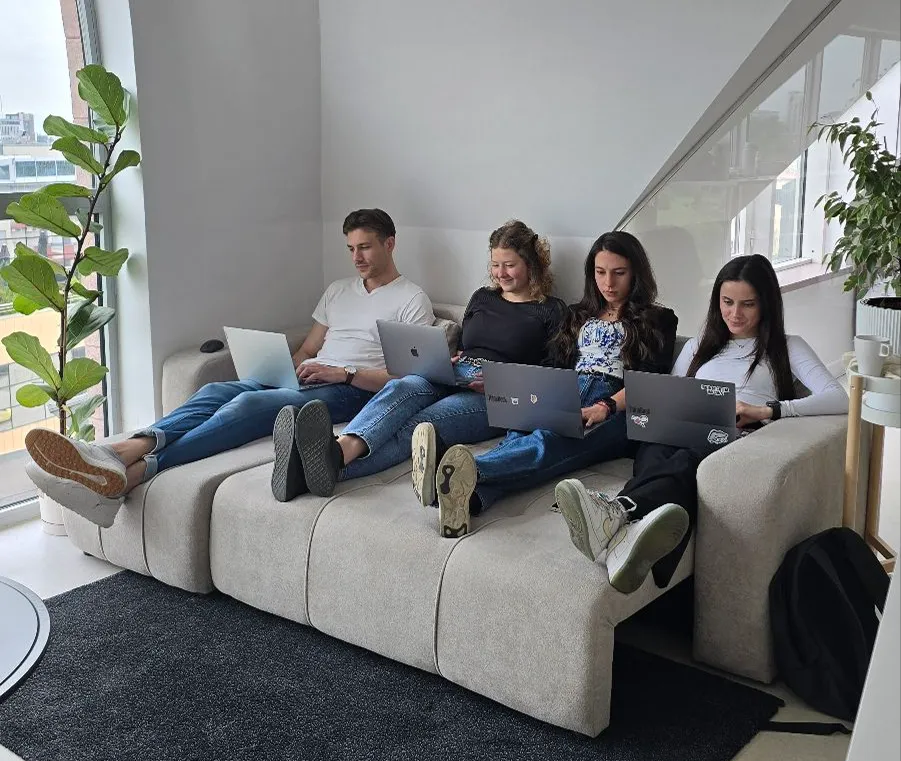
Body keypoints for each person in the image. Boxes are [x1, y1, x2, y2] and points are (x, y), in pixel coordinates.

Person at [24, 208, 435, 527]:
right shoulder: (338, 291)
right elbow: (310, 346)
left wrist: (341, 374)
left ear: (390, 244)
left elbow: (408, 379)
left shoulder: (411, 299)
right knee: (215, 393)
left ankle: (130, 465)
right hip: (309, 377)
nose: (356, 257)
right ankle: (124, 452)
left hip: (350, 389)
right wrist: (284, 367)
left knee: (246, 408)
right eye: (350, 249)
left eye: (365, 247)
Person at [552, 254, 848, 594]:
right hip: (681, 428)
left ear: (766, 304)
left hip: (735, 435)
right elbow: (671, 392)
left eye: (747, 304)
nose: (735, 314)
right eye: (727, 302)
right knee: (654, 452)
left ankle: (618, 509)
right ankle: (625, 543)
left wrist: (766, 411)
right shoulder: (699, 345)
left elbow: (838, 398)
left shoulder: (788, 347)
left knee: (685, 459)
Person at [270, 219, 566, 501]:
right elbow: (468, 344)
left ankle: (321, 463)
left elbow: (554, 377)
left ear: (531, 265)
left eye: (509, 265)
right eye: (495, 264)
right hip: (456, 373)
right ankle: (337, 451)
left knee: (419, 425)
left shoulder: (551, 311)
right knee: (403, 385)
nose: (500, 273)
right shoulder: (482, 298)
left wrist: (500, 382)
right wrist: (450, 358)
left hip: (496, 396)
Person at [411, 230, 679, 537]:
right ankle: (468, 500)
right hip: (566, 388)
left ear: (636, 274)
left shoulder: (659, 318)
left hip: (614, 403)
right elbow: (555, 366)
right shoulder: (579, 313)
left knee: (548, 441)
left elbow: (651, 382)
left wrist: (605, 407)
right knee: (518, 434)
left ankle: (463, 472)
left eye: (619, 273)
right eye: (600, 272)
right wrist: (534, 397)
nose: (609, 283)